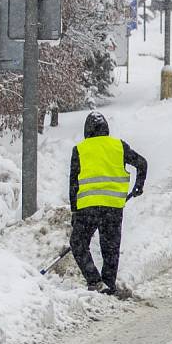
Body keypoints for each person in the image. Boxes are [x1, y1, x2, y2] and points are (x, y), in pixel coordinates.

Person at [69, 111, 147, 297]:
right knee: (110, 247)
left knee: (78, 243)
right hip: (113, 206)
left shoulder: (80, 149)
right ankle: (109, 285)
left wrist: (74, 212)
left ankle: (95, 281)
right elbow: (142, 163)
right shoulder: (118, 146)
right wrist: (138, 186)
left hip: (88, 207)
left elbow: (73, 184)